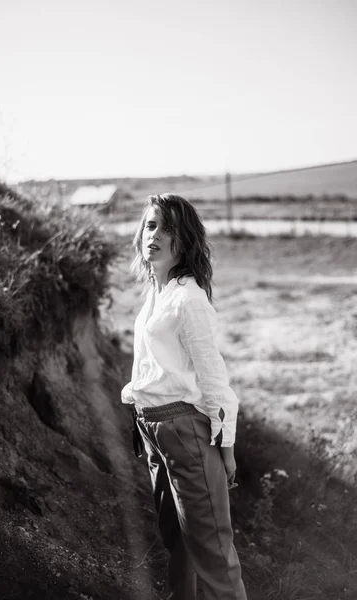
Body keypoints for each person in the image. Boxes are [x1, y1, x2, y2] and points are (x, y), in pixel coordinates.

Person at [121, 193, 247, 600]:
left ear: (185, 241)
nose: (154, 235)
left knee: (210, 551)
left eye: (168, 228)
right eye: (151, 225)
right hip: (154, 429)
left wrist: (225, 447)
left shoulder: (189, 299)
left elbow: (213, 378)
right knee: (179, 546)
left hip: (184, 430)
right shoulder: (156, 294)